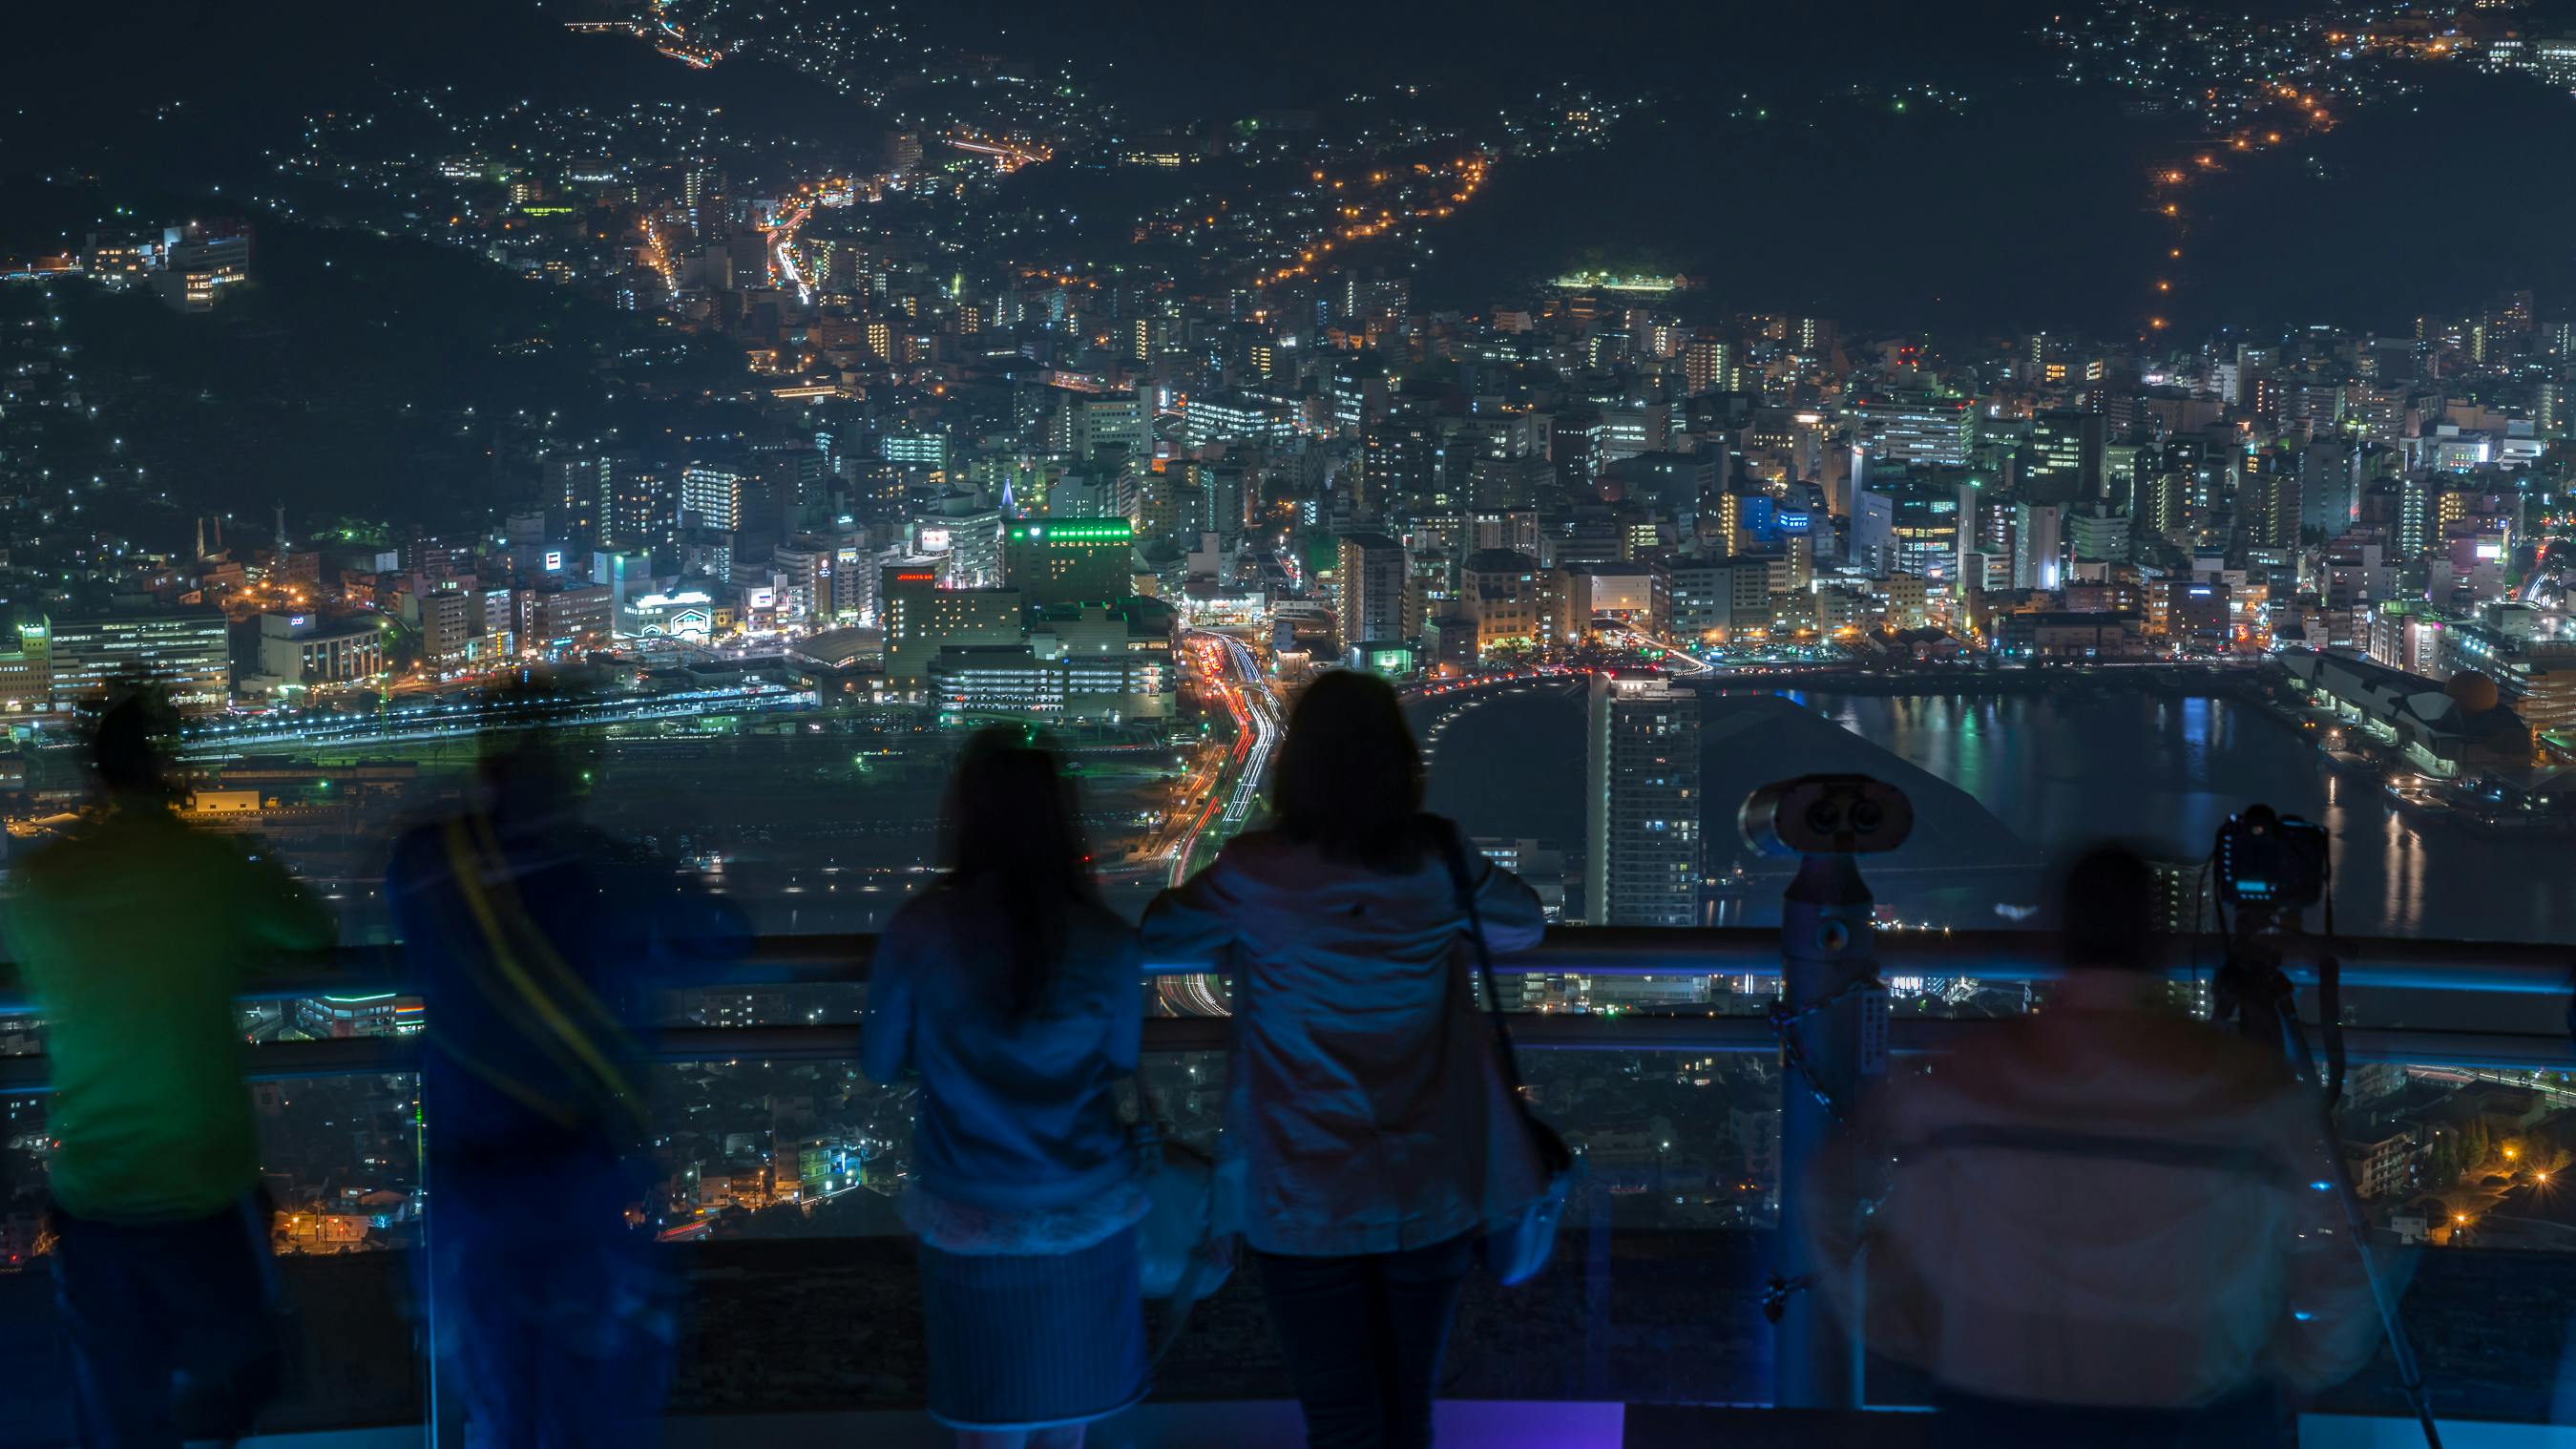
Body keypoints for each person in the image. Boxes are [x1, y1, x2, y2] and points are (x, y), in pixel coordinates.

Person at [1803, 844, 2383, 1449]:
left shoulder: (1964, 1080)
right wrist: (2296, 1361)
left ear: (2057, 942)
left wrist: (1915, 1330)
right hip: (2198, 1421)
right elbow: (2342, 1260)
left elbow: (1828, 1191)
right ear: (2158, 943)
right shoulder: (2250, 1090)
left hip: (1995, 1419)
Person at [1140, 669, 1549, 1449]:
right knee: (1407, 1409)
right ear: (1400, 764)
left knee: (1338, 1419)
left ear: (1296, 765)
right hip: (1426, 1179)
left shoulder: (1257, 869)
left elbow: (1160, 935)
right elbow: (1522, 925)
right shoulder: (1435, 857)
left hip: (1303, 1187)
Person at [387, 702, 741, 1448]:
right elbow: (722, 936)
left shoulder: (427, 861)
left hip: (469, 1177)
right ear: (575, 779)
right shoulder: (603, 874)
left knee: (499, 1394)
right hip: (579, 1167)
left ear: (488, 768)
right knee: (591, 1394)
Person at [1, 690, 336, 1447]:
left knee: (118, 1418)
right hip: (202, 1191)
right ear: (170, 767)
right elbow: (309, 929)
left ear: (94, 772)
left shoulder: (46, 880)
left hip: (93, 1195)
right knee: (229, 1397)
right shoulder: (207, 864)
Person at [862, 727, 1149, 1449]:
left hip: (971, 1210)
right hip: (1086, 1205)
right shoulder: (1108, 939)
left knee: (988, 1427)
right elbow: (1119, 1058)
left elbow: (879, 1060)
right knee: (1067, 1422)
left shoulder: (921, 929)